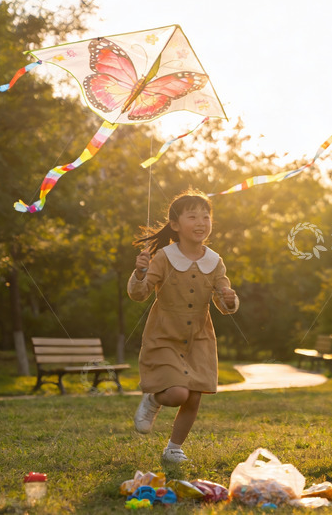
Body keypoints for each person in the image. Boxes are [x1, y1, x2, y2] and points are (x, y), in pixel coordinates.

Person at [128, 189, 238, 464]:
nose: (201, 222)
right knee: (177, 393)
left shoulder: (214, 261)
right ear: (176, 225)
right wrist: (140, 271)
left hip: (199, 338)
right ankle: (154, 400)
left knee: (194, 396)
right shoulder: (164, 257)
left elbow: (224, 299)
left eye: (206, 216)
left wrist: (230, 299)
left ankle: (174, 448)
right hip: (165, 335)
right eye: (193, 216)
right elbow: (139, 294)